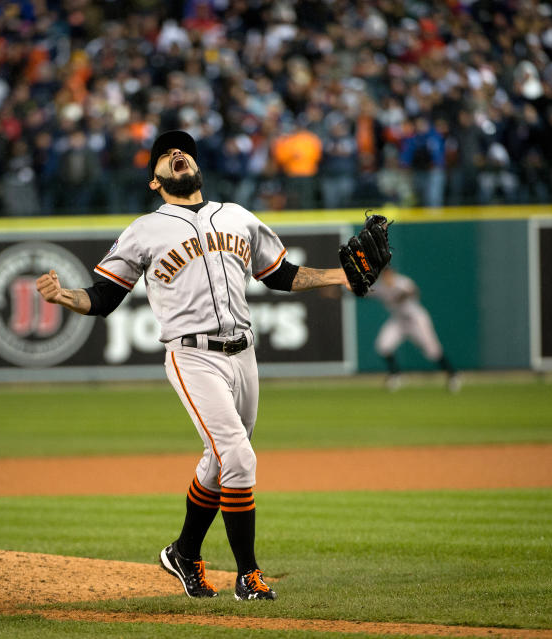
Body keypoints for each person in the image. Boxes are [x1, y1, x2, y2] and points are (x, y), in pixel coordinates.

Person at [35, 130, 350, 601]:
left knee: (219, 460)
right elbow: (104, 296)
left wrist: (340, 274)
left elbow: (280, 274)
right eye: (164, 154)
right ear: (154, 182)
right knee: (239, 457)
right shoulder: (145, 230)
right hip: (192, 354)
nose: (176, 154)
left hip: (244, 353)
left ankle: (184, 552)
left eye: (182, 150)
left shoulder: (237, 216)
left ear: (197, 167)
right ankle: (248, 575)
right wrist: (64, 296)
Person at [365, 267, 461, 393]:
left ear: (393, 274)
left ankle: (453, 375)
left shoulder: (402, 282)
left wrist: (400, 295)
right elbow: (363, 293)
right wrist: (340, 292)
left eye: (389, 275)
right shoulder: (381, 287)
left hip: (416, 320)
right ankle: (395, 375)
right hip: (398, 321)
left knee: (433, 351)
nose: (387, 278)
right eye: (384, 276)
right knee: (383, 345)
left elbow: (413, 291)